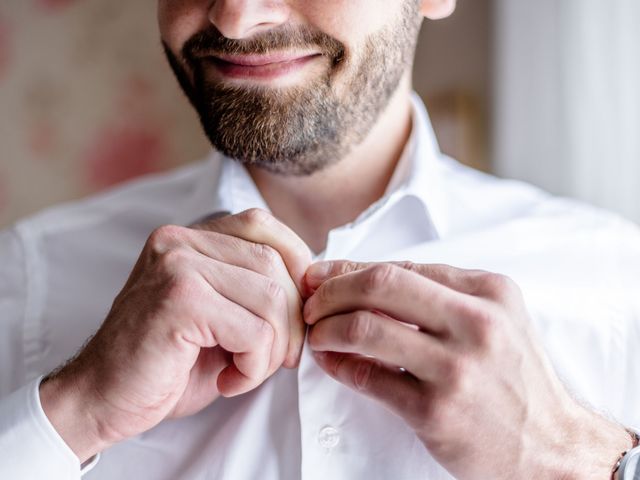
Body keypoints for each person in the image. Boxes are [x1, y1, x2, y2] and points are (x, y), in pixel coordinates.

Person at [1, 1, 640, 478]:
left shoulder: (620, 283)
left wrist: (567, 457)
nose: (237, 16)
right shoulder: (26, 279)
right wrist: (73, 412)